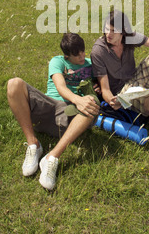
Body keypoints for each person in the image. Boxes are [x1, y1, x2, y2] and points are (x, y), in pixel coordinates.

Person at [7, 33, 99, 191]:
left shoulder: (92, 64)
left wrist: (95, 92)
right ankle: (33, 144)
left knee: (93, 103)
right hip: (49, 107)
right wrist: (78, 99)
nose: (82, 56)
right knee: (14, 83)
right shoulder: (58, 61)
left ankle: (52, 157)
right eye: (76, 55)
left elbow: (102, 84)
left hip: (70, 117)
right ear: (66, 55)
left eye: (83, 51)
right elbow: (61, 87)